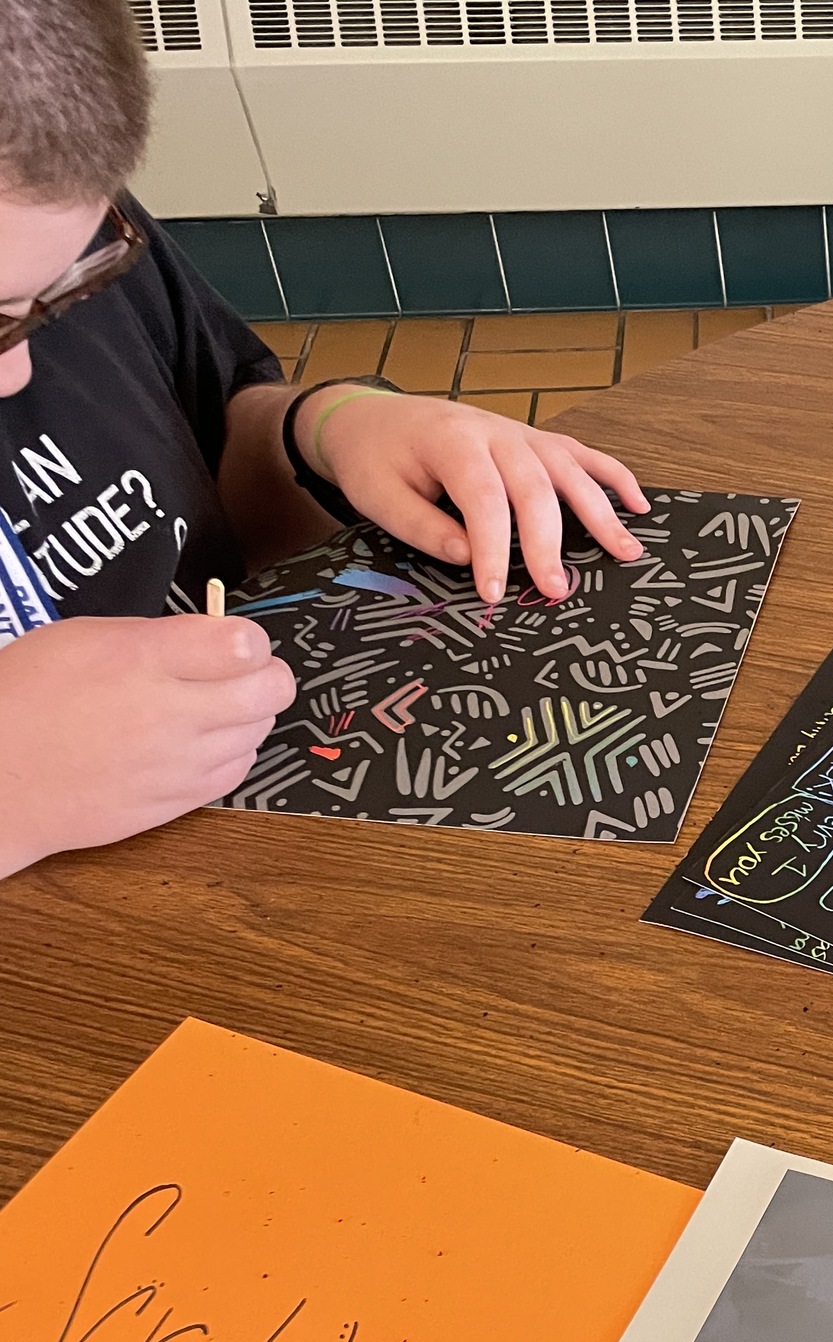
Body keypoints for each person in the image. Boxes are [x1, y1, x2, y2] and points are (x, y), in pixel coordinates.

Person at [0, 0, 653, 879]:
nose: (18, 375)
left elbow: (209, 448)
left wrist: (328, 427)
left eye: (48, 300)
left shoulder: (38, 207)